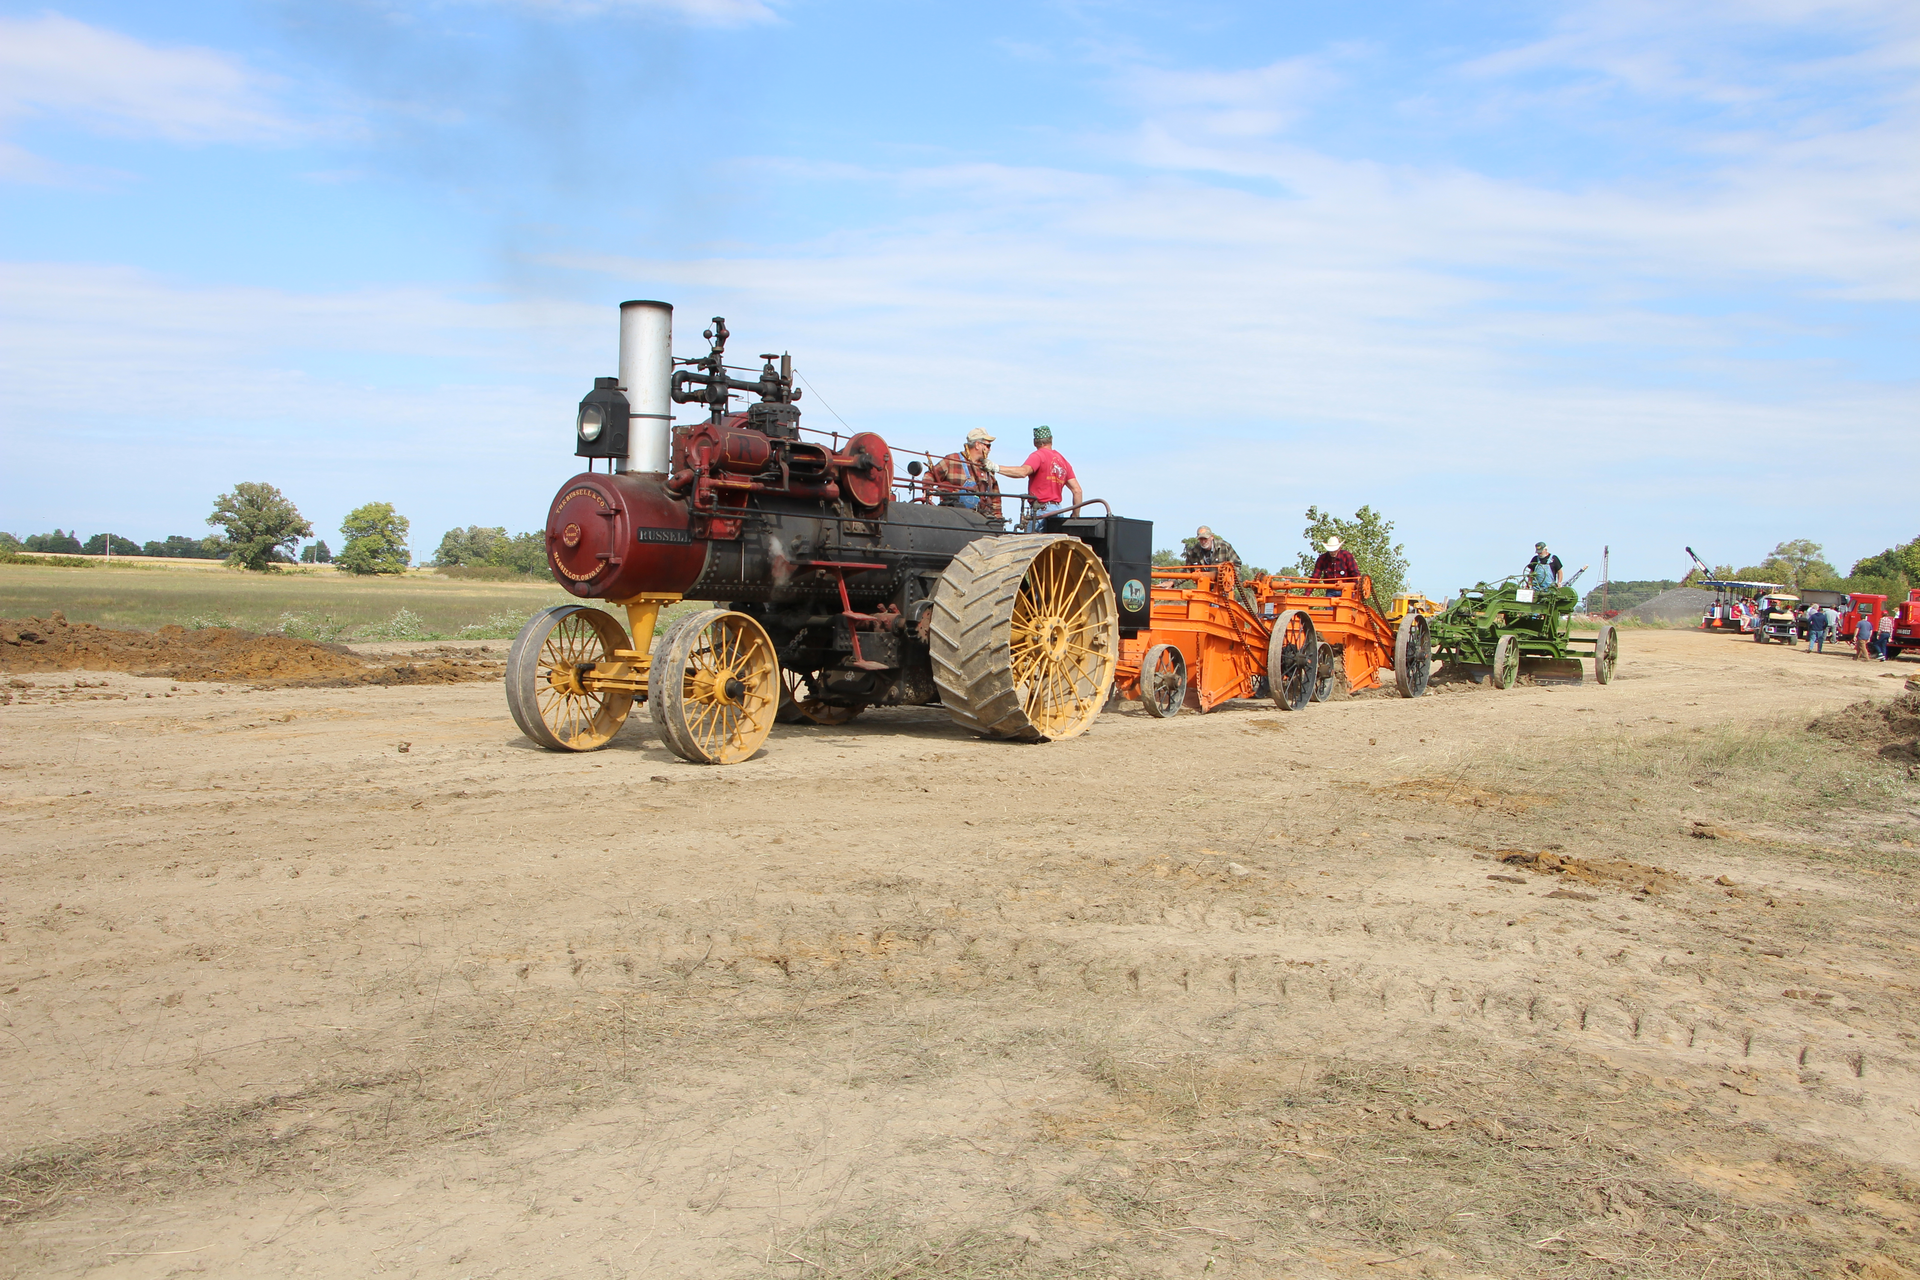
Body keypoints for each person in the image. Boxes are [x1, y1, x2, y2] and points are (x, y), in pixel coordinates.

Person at [998, 425, 1081, 529]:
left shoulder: (1038, 455)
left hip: (1041, 511)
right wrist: (1075, 515)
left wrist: (996, 468)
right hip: (1058, 511)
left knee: (1030, 543)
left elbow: (1023, 472)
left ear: (1035, 443)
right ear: (1051, 440)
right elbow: (1077, 491)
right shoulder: (1063, 461)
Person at [926, 428, 1002, 521]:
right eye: (988, 445)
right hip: (954, 519)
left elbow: (995, 499)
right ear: (977, 445)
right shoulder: (953, 460)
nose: (989, 449)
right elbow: (930, 475)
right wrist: (927, 489)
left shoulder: (988, 468)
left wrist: (998, 520)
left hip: (981, 521)